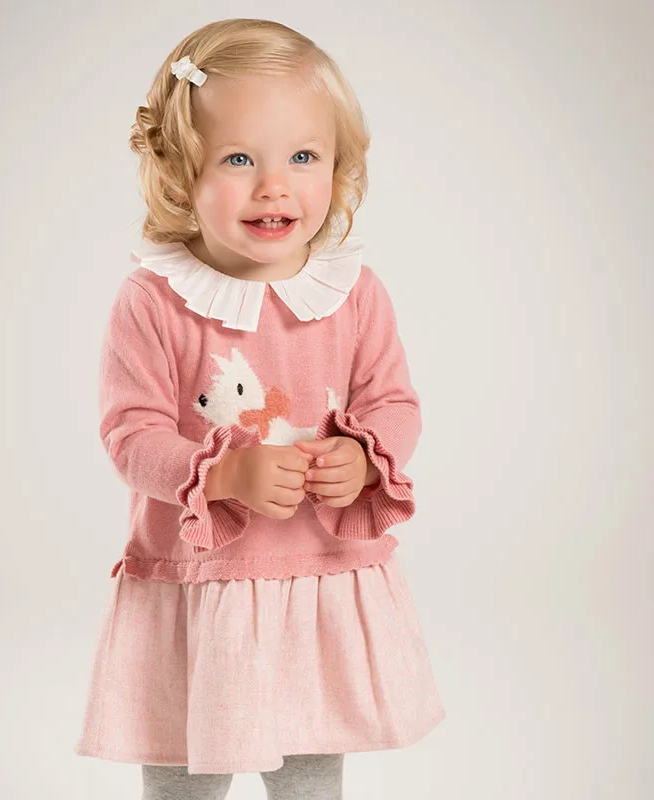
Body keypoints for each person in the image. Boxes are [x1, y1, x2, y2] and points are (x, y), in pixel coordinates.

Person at [74, 18, 446, 800]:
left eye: (303, 157)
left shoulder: (351, 294)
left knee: (311, 769)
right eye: (239, 159)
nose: (274, 186)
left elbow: (393, 400)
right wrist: (223, 474)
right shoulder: (154, 299)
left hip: (317, 581)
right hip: (200, 586)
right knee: (185, 774)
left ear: (340, 166)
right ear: (180, 173)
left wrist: (366, 455)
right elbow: (130, 434)